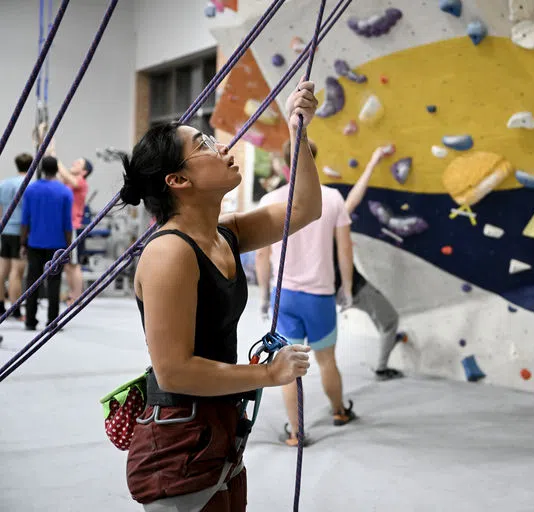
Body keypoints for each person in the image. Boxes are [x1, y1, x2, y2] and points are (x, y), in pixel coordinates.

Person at [119, 80, 319, 510]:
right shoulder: (170, 252)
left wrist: (297, 132)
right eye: (204, 145)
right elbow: (174, 372)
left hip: (218, 428)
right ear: (178, 180)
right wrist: (268, 375)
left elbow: (303, 209)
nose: (221, 146)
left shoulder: (223, 234)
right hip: (179, 443)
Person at [256, 139, 357, 447]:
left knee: (290, 365)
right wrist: (348, 289)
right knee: (327, 361)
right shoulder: (332, 199)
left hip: (284, 296)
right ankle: (339, 412)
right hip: (320, 297)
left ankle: (296, 433)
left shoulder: (270, 200)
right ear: (314, 160)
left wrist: (263, 296)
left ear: (286, 162)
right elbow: (345, 250)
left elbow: (262, 256)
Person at [333, 146, 406, 381]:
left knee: (380, 316)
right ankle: (381, 369)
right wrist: (373, 160)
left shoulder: (307, 233)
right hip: (354, 288)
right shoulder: (329, 229)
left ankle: (388, 334)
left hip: (334, 292)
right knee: (390, 319)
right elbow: (354, 198)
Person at [21, 156, 73, 331]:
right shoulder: (65, 192)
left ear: (41, 169)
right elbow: (67, 224)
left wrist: (23, 243)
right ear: (57, 170)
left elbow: (25, 220)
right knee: (54, 283)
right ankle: (52, 322)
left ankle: (30, 321)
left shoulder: (31, 190)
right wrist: (69, 247)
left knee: (32, 282)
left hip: (34, 243)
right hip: (57, 245)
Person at [0, 153, 33, 320]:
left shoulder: (4, 183)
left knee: (2, 269)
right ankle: (15, 310)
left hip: (4, 230)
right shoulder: (29, 184)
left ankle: (0, 306)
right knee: (16, 272)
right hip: (20, 232)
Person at [56, 156, 92, 306]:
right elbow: (59, 175)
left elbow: (62, 173)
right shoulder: (69, 183)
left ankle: (77, 297)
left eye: (78, 163)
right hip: (65, 227)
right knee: (66, 264)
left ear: (84, 172)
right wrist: (49, 151)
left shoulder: (80, 183)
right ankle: (72, 294)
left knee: (74, 264)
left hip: (74, 227)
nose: (73, 162)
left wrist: (55, 157)